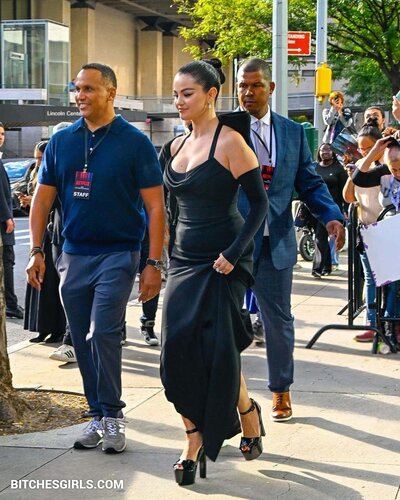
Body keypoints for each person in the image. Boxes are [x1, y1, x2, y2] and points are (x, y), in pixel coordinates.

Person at [26, 63, 165, 454]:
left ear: (111, 93)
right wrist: (36, 250)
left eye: (88, 89)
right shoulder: (61, 141)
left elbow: (156, 207)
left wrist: (153, 264)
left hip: (119, 253)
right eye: (77, 89)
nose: (80, 96)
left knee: (102, 333)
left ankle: (114, 415)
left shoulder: (134, 143)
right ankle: (97, 414)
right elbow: (42, 201)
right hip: (72, 255)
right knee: (81, 341)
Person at [161, 59, 268, 485]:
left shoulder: (231, 142)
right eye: (175, 94)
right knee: (175, 351)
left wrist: (233, 254)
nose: (179, 101)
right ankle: (211, 425)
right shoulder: (174, 147)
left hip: (224, 260)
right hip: (184, 261)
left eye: (187, 93)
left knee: (218, 349)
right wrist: (163, 253)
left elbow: (259, 205)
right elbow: (170, 207)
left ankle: (215, 432)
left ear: (211, 95)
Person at [236, 58, 345, 422]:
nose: (248, 92)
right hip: (233, 244)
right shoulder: (225, 129)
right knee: (222, 320)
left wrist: (331, 215)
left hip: (275, 243)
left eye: (255, 85)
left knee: (278, 321)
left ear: (271, 88)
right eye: (242, 85)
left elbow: (309, 183)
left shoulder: (292, 132)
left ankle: (280, 390)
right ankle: (228, 392)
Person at [351, 135, 400, 347]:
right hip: (387, 236)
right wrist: (375, 151)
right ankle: (386, 327)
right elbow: (358, 179)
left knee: (397, 284)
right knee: (388, 283)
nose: (397, 173)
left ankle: (392, 325)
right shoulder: (384, 173)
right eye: (393, 169)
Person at [342, 118, 384, 343]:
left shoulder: (389, 165)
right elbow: (348, 197)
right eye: (361, 148)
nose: (364, 152)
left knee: (390, 282)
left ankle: (389, 323)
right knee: (370, 279)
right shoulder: (360, 167)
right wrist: (354, 175)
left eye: (369, 147)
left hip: (387, 229)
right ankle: (372, 324)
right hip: (366, 230)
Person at [22, 140, 66, 344]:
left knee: (52, 282)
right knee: (38, 281)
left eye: (41, 158)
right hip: (41, 235)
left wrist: (35, 202)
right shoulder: (35, 173)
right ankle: (41, 327)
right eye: (36, 158)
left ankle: (57, 329)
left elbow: (56, 202)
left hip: (54, 234)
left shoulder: (56, 172)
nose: (38, 162)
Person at [311, 143, 347, 278]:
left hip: (332, 209)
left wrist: (345, 209)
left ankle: (319, 267)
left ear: (333, 153)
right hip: (314, 208)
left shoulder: (339, 169)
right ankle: (325, 266)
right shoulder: (314, 167)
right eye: (322, 150)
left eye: (328, 150)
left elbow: (344, 192)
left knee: (322, 237)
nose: (325, 152)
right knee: (319, 237)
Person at [0, 122, 24, 320]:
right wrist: (8, 217)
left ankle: (10, 303)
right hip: (2, 223)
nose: (1, 137)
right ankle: (11, 304)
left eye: (2, 134)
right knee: (7, 262)